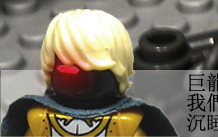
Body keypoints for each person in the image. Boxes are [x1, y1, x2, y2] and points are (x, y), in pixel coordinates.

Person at [1, 9, 177, 137]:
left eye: (87, 64)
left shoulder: (127, 125)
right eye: (63, 59)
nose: (72, 70)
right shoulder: (39, 121)